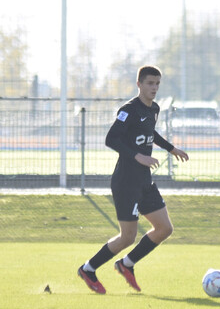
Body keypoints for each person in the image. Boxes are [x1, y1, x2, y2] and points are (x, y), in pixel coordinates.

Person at [78, 65, 188, 294]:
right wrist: (138, 156)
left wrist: (171, 148)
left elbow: (151, 132)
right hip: (126, 182)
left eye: (157, 83)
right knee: (128, 236)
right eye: (150, 83)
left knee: (164, 228)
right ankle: (88, 269)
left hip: (144, 182)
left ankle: (126, 264)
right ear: (139, 84)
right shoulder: (128, 109)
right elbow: (111, 139)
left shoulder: (154, 109)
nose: (154, 88)